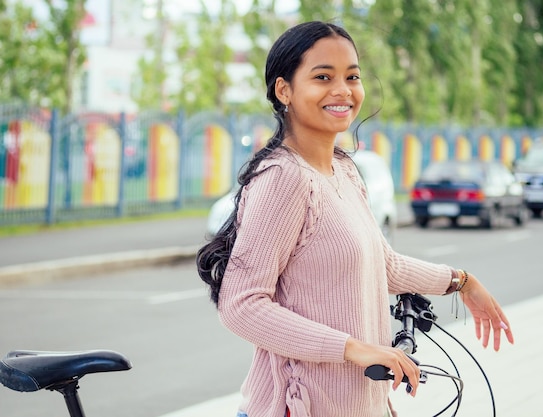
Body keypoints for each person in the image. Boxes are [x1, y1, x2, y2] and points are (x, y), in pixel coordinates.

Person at [196, 20, 515, 417]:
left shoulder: (344, 170)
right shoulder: (283, 178)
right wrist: (354, 349)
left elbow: (385, 265)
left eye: (352, 76)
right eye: (322, 77)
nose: (342, 90)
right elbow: (241, 305)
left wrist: (462, 282)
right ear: (284, 90)